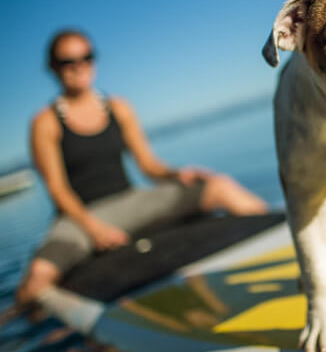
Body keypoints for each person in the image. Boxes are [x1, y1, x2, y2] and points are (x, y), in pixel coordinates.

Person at [15, 29, 268, 306]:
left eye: (86, 57)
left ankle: (282, 240)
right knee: (37, 279)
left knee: (220, 187)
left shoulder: (118, 107)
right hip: (79, 217)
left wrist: (179, 174)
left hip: (130, 202)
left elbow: (149, 166)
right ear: (53, 67)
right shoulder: (45, 122)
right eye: (68, 61)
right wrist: (95, 229)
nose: (79, 66)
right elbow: (58, 190)